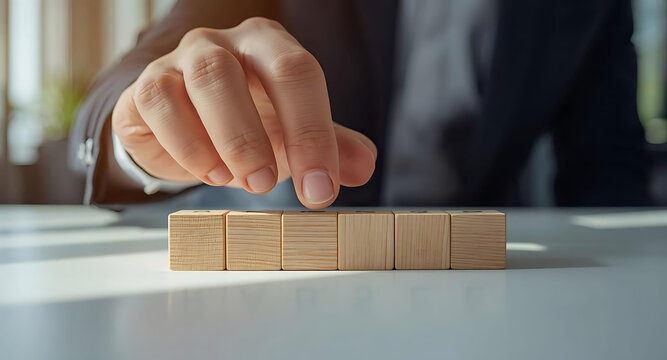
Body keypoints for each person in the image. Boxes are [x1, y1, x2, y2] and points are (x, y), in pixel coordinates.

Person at [70, 0, 651, 209]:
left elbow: (610, 169)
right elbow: (142, 72)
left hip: (478, 285)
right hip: (268, 276)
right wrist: (137, 130)